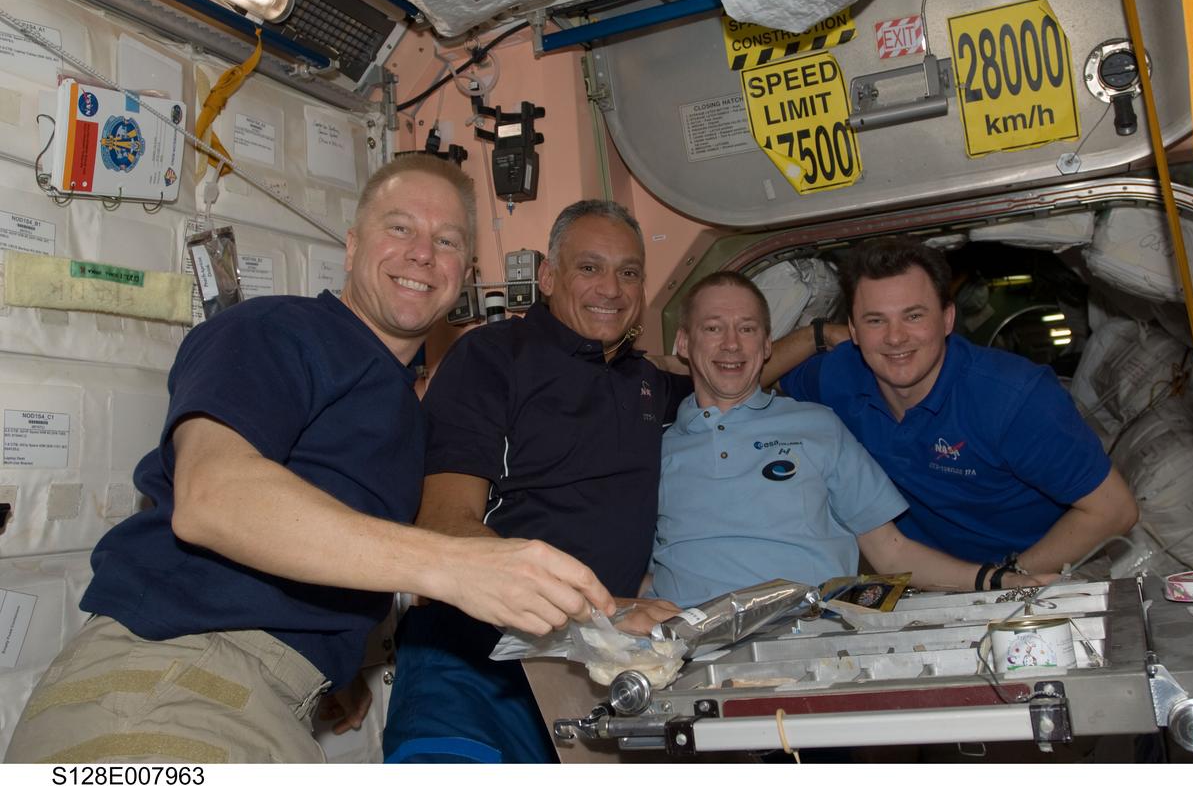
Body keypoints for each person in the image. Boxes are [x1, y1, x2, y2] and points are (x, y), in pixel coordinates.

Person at [4, 155, 615, 765]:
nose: (423, 253)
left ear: (465, 273)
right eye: (400, 228)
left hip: (266, 694)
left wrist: (335, 657)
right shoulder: (274, 329)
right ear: (351, 247)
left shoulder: (400, 406)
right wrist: (457, 565)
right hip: (171, 680)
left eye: (447, 240)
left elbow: (326, 537)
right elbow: (213, 499)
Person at [383, 199, 690, 764]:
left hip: (590, 667)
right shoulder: (492, 356)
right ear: (547, 277)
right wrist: (602, 608)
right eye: (589, 267)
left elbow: (734, 373)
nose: (612, 288)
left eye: (629, 273)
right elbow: (445, 524)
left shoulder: (646, 380)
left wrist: (824, 338)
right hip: (473, 663)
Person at [650, 272, 1053, 606]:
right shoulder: (651, 448)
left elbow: (891, 551)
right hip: (687, 651)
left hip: (806, 643)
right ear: (684, 343)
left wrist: (994, 580)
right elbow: (632, 566)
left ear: (768, 343)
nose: (732, 344)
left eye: (747, 328)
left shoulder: (817, 425)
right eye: (713, 328)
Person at [773, 237, 1139, 576]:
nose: (895, 337)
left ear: (947, 318)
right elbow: (748, 380)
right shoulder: (843, 375)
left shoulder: (1013, 398)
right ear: (853, 330)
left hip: (1042, 568)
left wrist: (1004, 580)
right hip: (927, 577)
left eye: (913, 316)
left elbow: (1114, 510)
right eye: (875, 321)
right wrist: (816, 335)